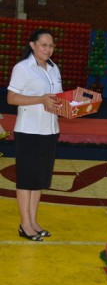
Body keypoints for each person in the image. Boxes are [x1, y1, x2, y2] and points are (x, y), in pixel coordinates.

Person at [7, 29, 62, 241]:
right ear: (33, 45)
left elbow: (55, 98)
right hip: (29, 131)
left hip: (50, 130)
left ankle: (34, 221)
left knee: (38, 180)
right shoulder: (22, 68)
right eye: (43, 45)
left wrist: (72, 106)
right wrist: (40, 99)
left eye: (51, 46)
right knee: (26, 180)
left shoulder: (53, 68)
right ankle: (25, 224)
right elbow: (12, 98)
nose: (48, 49)